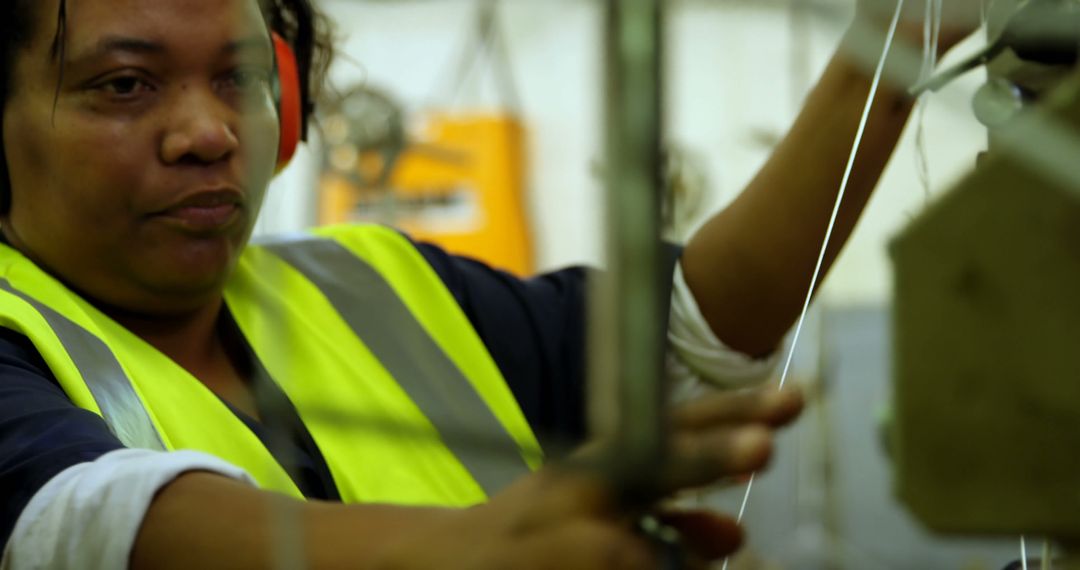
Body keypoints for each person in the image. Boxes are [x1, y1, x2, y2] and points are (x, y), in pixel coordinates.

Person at [0, 0, 978, 568]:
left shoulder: (369, 285)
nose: (209, 133)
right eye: (123, 86)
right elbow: (90, 524)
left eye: (239, 78)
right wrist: (472, 550)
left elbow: (696, 330)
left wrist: (892, 47)